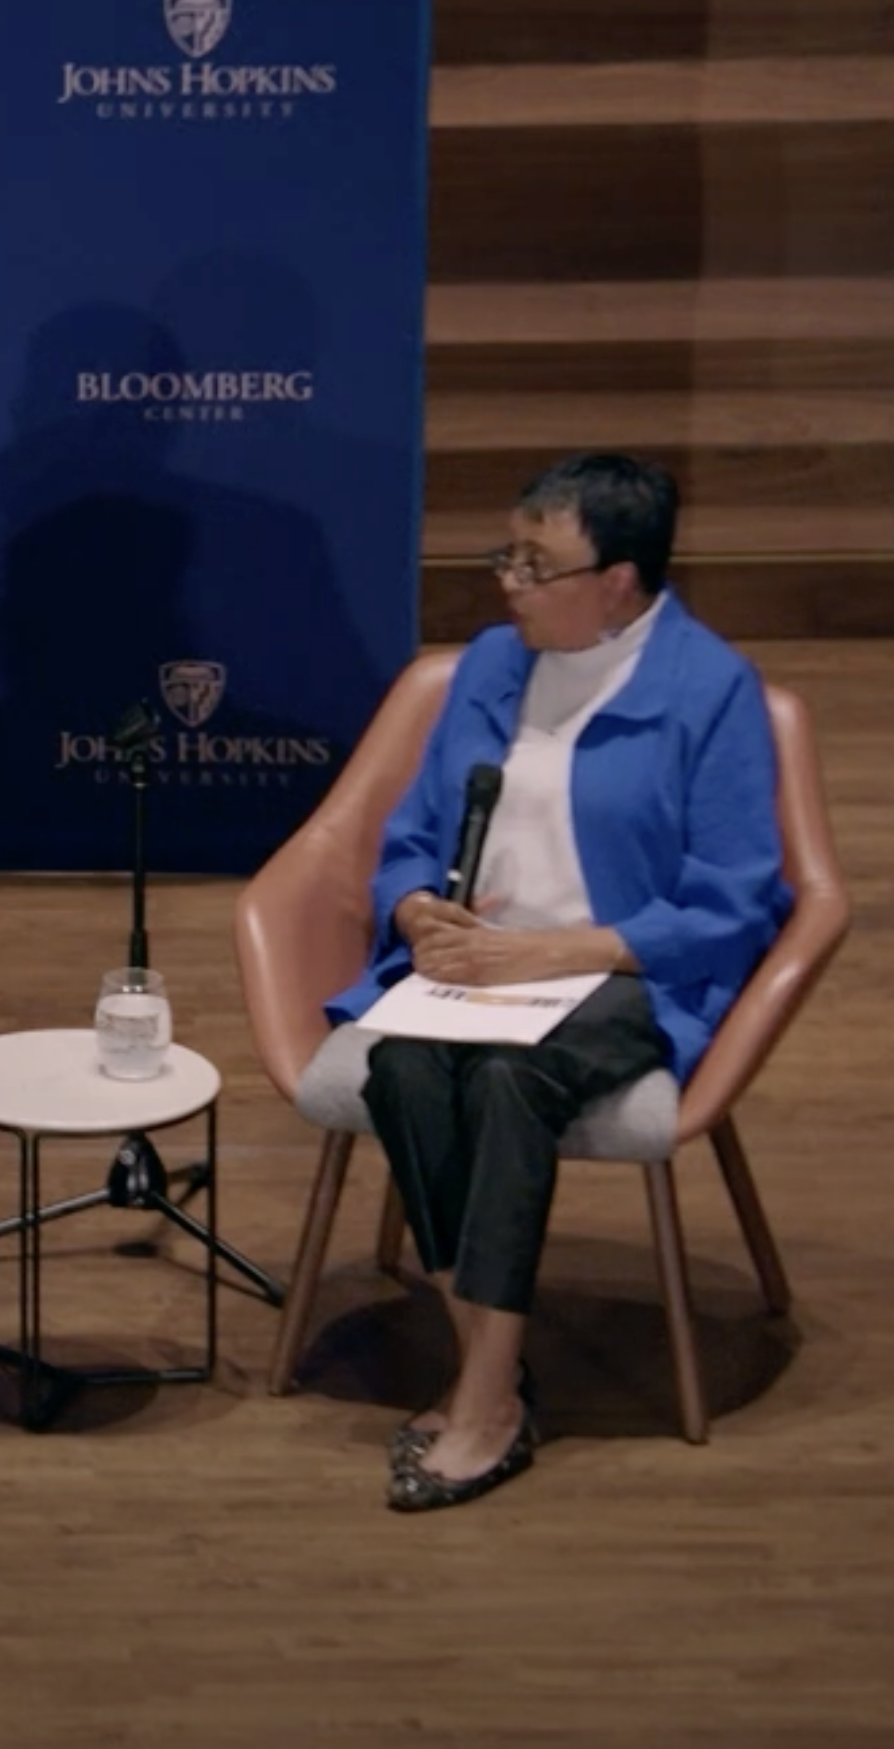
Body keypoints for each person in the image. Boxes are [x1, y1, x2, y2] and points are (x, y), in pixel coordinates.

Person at [324, 452, 788, 1512]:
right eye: (508, 556)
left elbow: (734, 901)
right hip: (469, 969)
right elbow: (405, 840)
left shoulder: (707, 690)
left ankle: (484, 1396)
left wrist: (550, 954)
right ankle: (495, 1366)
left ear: (617, 582)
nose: (508, 583)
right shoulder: (490, 666)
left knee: (502, 1085)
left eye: (536, 565)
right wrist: (412, 909)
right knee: (400, 1069)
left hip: (625, 973)